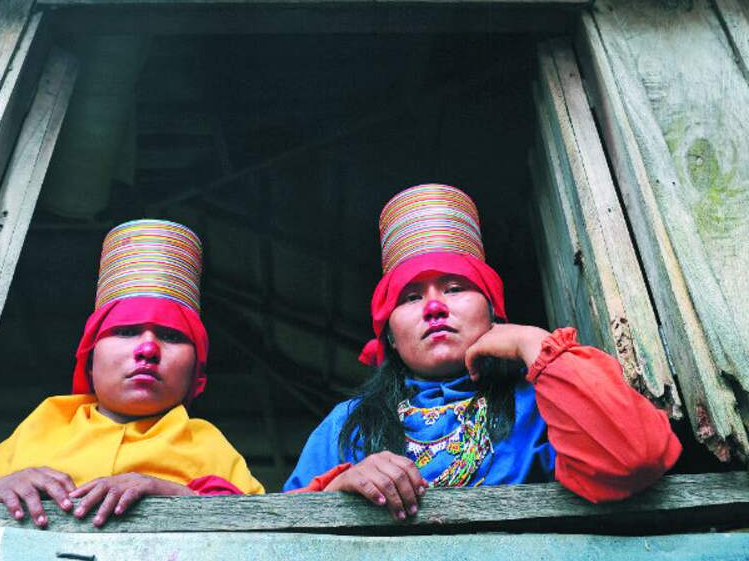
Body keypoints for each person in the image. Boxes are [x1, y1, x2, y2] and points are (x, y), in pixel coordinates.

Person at [283, 184, 681, 520]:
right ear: (388, 333)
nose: (434, 307)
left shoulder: (540, 406)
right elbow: (274, 541)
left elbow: (633, 457)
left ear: (492, 309)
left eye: (455, 289)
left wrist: (532, 343)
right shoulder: (346, 426)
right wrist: (338, 487)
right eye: (411, 296)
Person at [0, 220, 264, 527]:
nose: (148, 349)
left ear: (196, 372)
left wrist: (172, 494)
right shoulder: (42, 424)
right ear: (89, 359)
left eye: (170, 336)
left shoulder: (208, 444)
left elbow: (260, 534)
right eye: (126, 331)